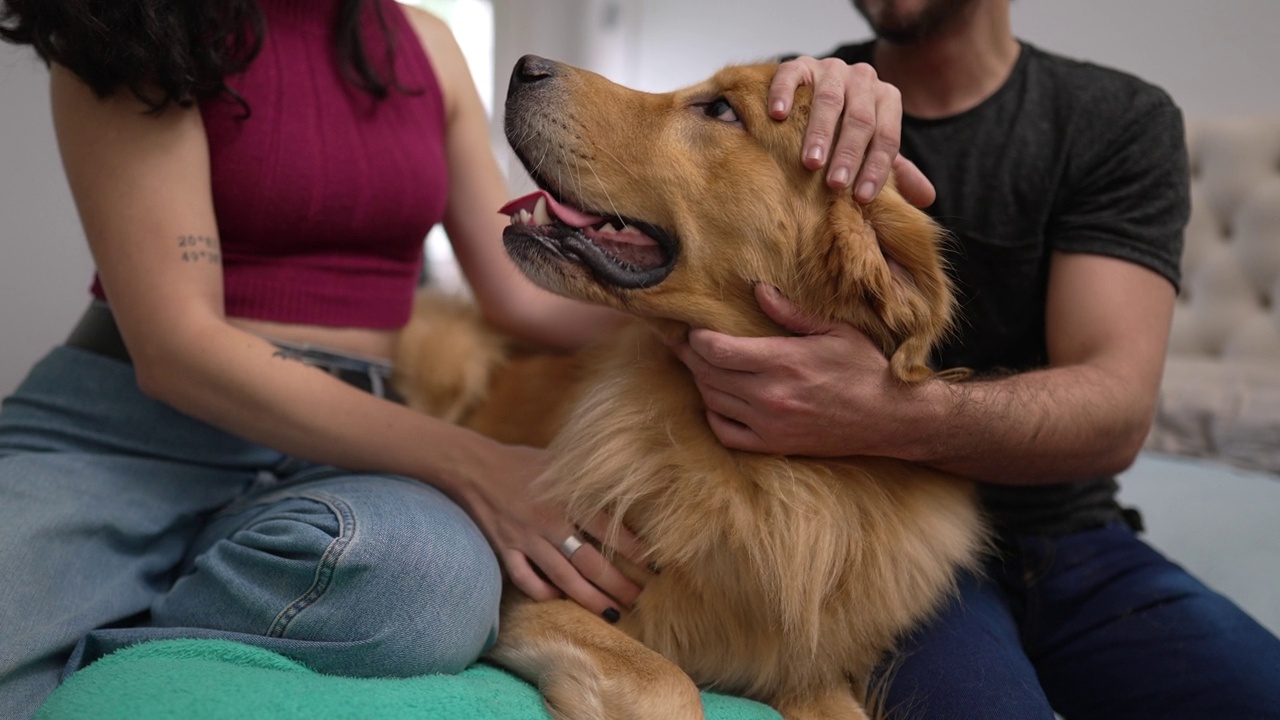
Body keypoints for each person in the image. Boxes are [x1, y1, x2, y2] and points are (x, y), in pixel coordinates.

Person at [0, 1, 660, 717]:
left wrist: (712, 326)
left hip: (347, 453)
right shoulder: (129, 21)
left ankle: (115, 646)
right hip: (122, 431)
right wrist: (475, 461)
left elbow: (519, 299)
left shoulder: (426, 45)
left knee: (430, 584)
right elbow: (177, 348)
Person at [674, 0, 1280, 718]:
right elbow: (605, 294)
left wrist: (886, 413)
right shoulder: (781, 107)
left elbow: (1116, 413)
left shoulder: (1118, 119)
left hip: (1077, 539)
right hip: (883, 550)